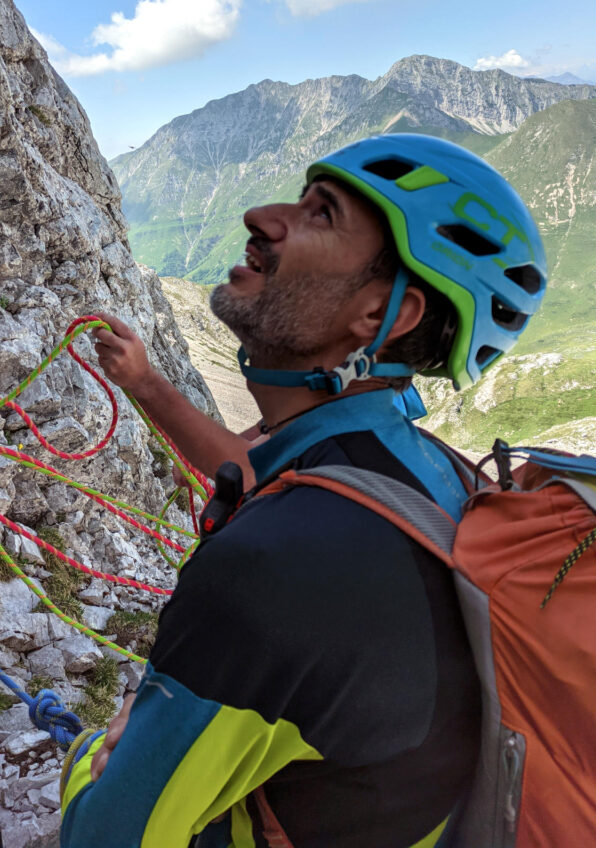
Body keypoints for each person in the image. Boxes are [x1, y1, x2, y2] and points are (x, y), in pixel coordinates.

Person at [60, 134, 547, 848]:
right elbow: (245, 468)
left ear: (385, 313)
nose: (260, 215)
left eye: (320, 214)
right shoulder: (415, 469)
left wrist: (87, 762)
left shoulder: (277, 568)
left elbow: (104, 839)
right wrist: (143, 381)